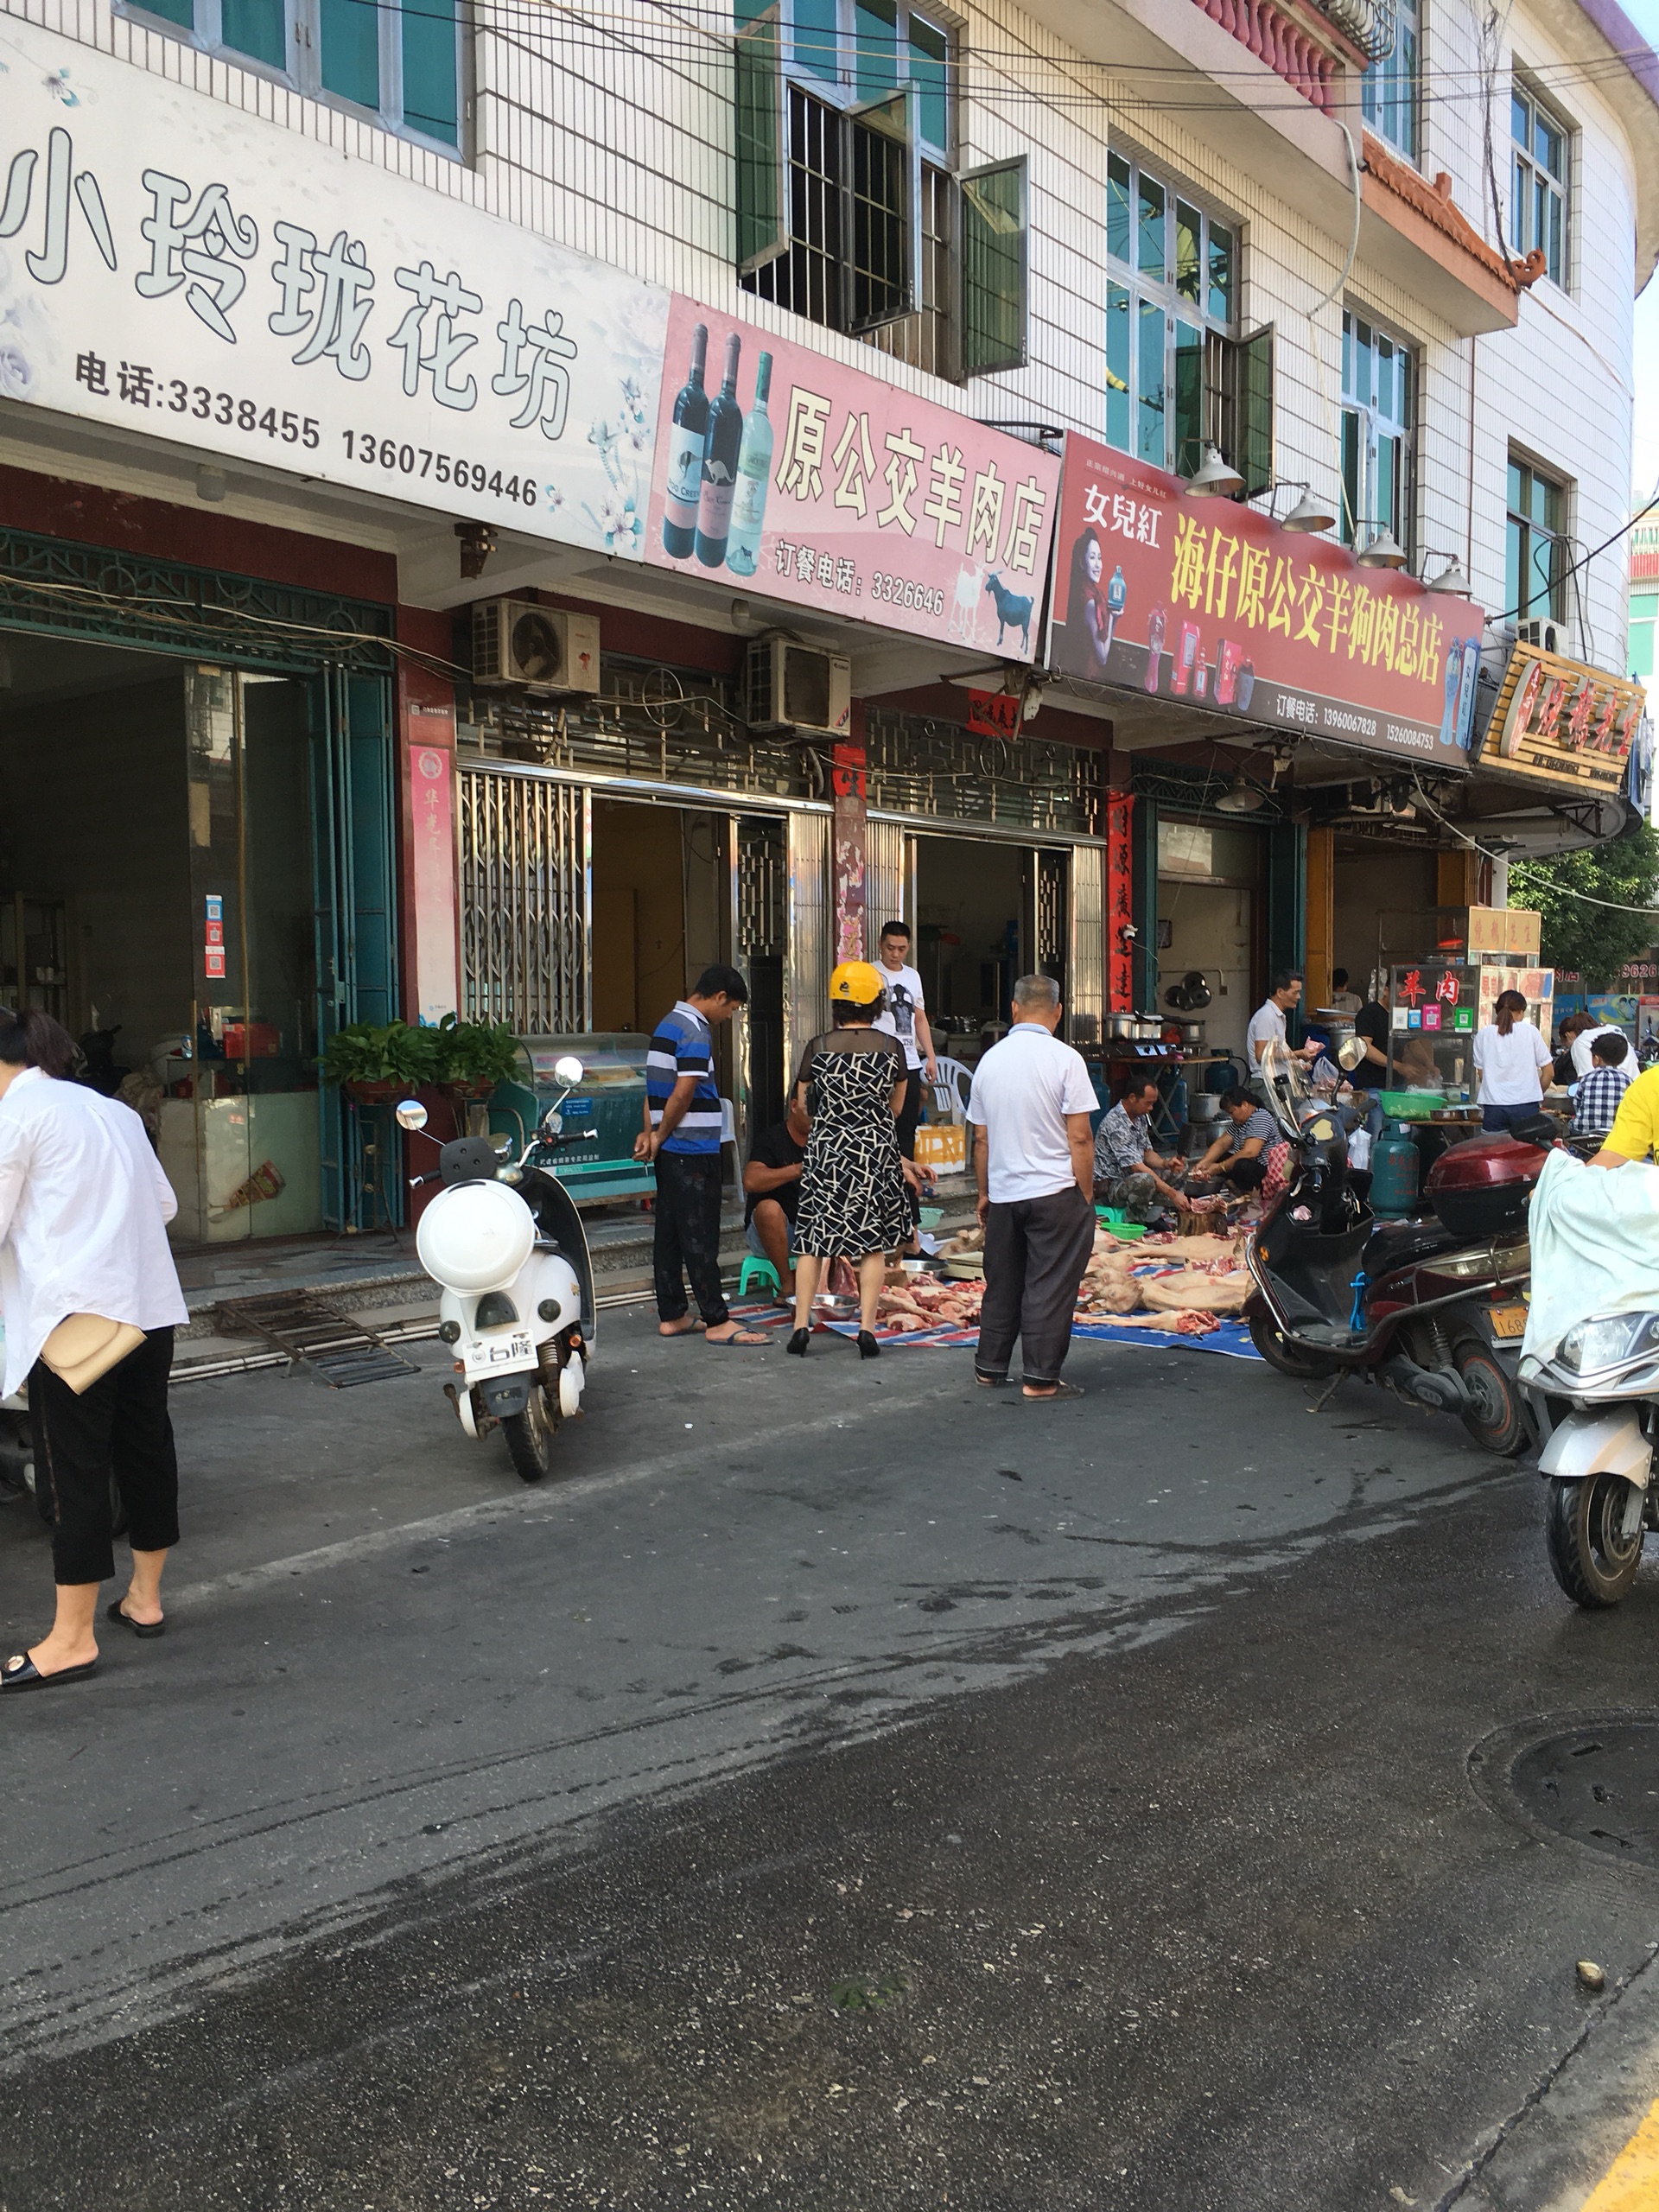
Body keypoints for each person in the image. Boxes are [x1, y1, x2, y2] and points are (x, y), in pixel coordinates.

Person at [0, 1007, 188, 1691]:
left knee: (72, 1470)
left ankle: (71, 1640)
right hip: (147, 1312)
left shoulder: (17, 1117)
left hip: (77, 1322)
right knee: (145, 1448)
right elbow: (164, 1207)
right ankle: (145, 1599)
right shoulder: (111, 1111)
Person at [965, 972, 1097, 1402]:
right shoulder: (1066, 1060)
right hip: (1055, 1191)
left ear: (1014, 1009)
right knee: (1049, 1283)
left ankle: (990, 1367)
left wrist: (984, 1193)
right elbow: (1080, 1137)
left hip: (1005, 1194)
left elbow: (980, 1139)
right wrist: (1086, 1194)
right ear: (1058, 1012)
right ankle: (1040, 1378)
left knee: (1002, 1283)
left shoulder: (989, 1061)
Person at [635, 964, 767, 1347]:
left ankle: (673, 1313)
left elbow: (653, 1093)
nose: (728, 1018)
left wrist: (652, 1133)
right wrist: (660, 1135)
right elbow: (684, 1091)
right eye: (731, 1009)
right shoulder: (696, 1030)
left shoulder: (666, 1024)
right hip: (691, 1148)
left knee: (671, 1234)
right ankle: (716, 1318)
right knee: (700, 1235)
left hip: (671, 1147)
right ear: (720, 997)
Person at [786, 962, 911, 1361]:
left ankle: (800, 1326)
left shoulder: (817, 1047)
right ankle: (867, 1330)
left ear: (837, 1003)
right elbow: (896, 1108)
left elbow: (802, 1107)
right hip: (873, 1150)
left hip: (826, 1149)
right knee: (872, 1245)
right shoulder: (892, 1049)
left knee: (812, 1241)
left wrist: (830, 1125)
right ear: (876, 1003)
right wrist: (868, 1125)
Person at [871, 919, 938, 1243]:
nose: (896, 954)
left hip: (909, 1064)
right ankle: (881, 1218)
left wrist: (931, 1056)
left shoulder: (913, 977)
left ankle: (909, 1224)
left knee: (905, 1140)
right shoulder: (869, 974)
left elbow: (920, 1018)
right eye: (890, 948)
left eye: (902, 949)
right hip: (878, 1063)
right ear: (880, 945)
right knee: (878, 1138)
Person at [1092, 1074, 1190, 1224]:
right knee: (1145, 1180)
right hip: (1111, 1186)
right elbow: (1138, 1167)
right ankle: (1133, 1223)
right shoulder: (1115, 1123)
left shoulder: (1140, 1117)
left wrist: (1166, 1164)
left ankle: (1153, 1217)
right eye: (1148, 1103)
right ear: (1132, 1098)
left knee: (1181, 1168)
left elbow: (1147, 1152)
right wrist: (1172, 1193)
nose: (1150, 1108)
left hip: (1132, 1178)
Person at [741, 1090, 810, 1291]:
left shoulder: (825, 1139)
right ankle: (787, 1283)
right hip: (772, 1234)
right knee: (768, 1209)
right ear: (794, 1106)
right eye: (811, 1109)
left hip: (813, 1233)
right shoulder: (771, 1139)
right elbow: (751, 1181)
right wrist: (797, 1169)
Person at [1473, 988, 1553, 1134]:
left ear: (1497, 1010)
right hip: (1526, 1106)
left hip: (1494, 1107)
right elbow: (1549, 1072)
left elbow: (1482, 1075)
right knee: (1525, 1153)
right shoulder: (1530, 1032)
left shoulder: (1483, 1035)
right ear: (1521, 1012)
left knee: (1495, 1153)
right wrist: (1535, 1093)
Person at [1246, 970, 1323, 1092]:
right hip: (1266, 1084)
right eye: (1295, 993)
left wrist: (1298, 1062)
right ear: (1280, 992)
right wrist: (1298, 1054)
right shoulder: (1266, 1016)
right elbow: (1261, 1055)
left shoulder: (1278, 1016)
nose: (1299, 997)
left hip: (1278, 1082)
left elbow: (1278, 1054)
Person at [1191, 1086, 1278, 1191]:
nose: (1231, 1116)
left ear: (1244, 1105)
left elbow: (1250, 1152)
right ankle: (1236, 1190)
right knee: (1221, 1156)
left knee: (1242, 1165)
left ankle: (1253, 1197)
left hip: (1267, 1171)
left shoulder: (1260, 1117)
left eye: (1232, 1112)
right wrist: (1203, 1163)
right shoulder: (1239, 1123)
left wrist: (1219, 1168)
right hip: (1252, 1167)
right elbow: (1221, 1144)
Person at [1063, 527, 1113, 674]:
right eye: (1092, 557)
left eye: (1100, 557)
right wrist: (1113, 619)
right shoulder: (1089, 602)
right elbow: (1102, 657)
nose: (1098, 565)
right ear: (1081, 562)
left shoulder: (1087, 593)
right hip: (1088, 675)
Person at [1572, 1029, 1634, 1141]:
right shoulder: (1627, 1081)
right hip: (1616, 1136)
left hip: (1585, 1136)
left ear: (1597, 1059)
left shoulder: (1587, 1079)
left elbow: (1577, 1105)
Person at [1565, 1008, 1625, 1080]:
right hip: (1635, 1083)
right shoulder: (1615, 1030)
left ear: (1570, 1034)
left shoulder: (1581, 1041)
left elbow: (1586, 1077)